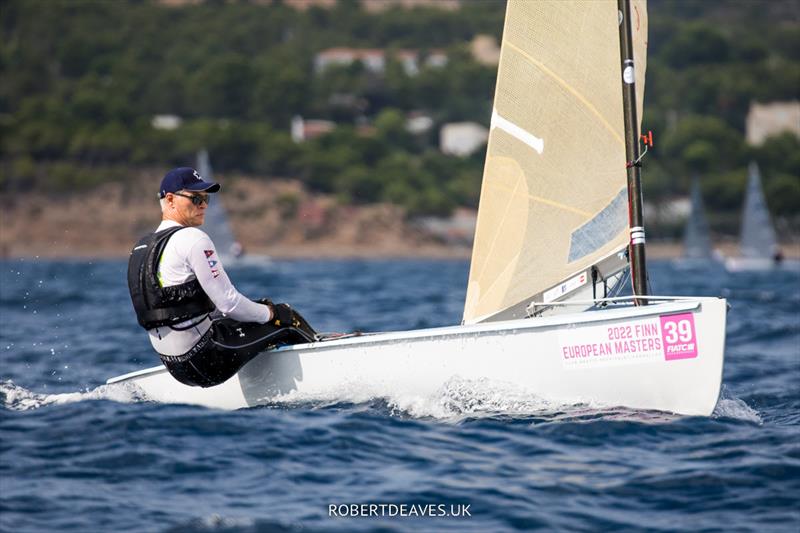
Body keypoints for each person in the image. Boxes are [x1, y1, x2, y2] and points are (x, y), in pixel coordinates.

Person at [127, 167, 316, 388]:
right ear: (170, 200)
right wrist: (272, 313)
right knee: (285, 317)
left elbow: (187, 308)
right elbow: (229, 303)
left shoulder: (141, 247)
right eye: (196, 198)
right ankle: (320, 356)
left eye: (206, 198)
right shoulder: (193, 238)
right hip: (208, 359)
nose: (204, 205)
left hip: (176, 368)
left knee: (252, 316)